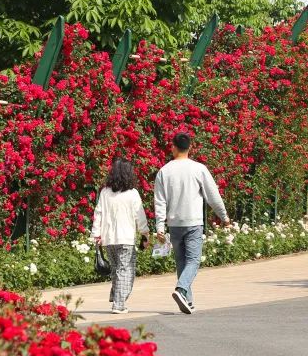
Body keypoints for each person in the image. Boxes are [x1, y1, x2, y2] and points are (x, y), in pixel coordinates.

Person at [154, 132, 230, 314]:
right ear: (190, 148)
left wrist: (160, 226)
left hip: (174, 223)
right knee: (194, 261)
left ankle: (188, 301)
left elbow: (160, 201)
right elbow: (213, 196)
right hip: (193, 222)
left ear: (173, 147)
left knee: (182, 262)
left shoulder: (164, 171)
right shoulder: (199, 169)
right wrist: (224, 216)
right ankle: (181, 289)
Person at [92, 158, 149, 314]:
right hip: (126, 239)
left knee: (117, 269)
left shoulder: (105, 192)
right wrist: (145, 234)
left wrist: (96, 234)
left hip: (109, 239)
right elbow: (140, 215)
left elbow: (98, 213)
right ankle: (119, 303)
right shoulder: (133, 193)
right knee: (126, 270)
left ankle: (116, 293)